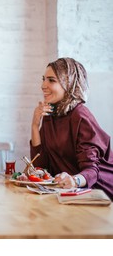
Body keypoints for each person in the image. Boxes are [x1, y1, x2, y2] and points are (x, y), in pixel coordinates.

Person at [30, 57, 113, 200]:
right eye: (43, 79)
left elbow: (92, 171)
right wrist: (35, 125)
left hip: (99, 193)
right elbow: (40, 167)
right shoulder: (51, 114)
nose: (43, 85)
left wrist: (74, 180)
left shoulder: (80, 116)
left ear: (68, 84)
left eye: (51, 80)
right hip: (68, 194)